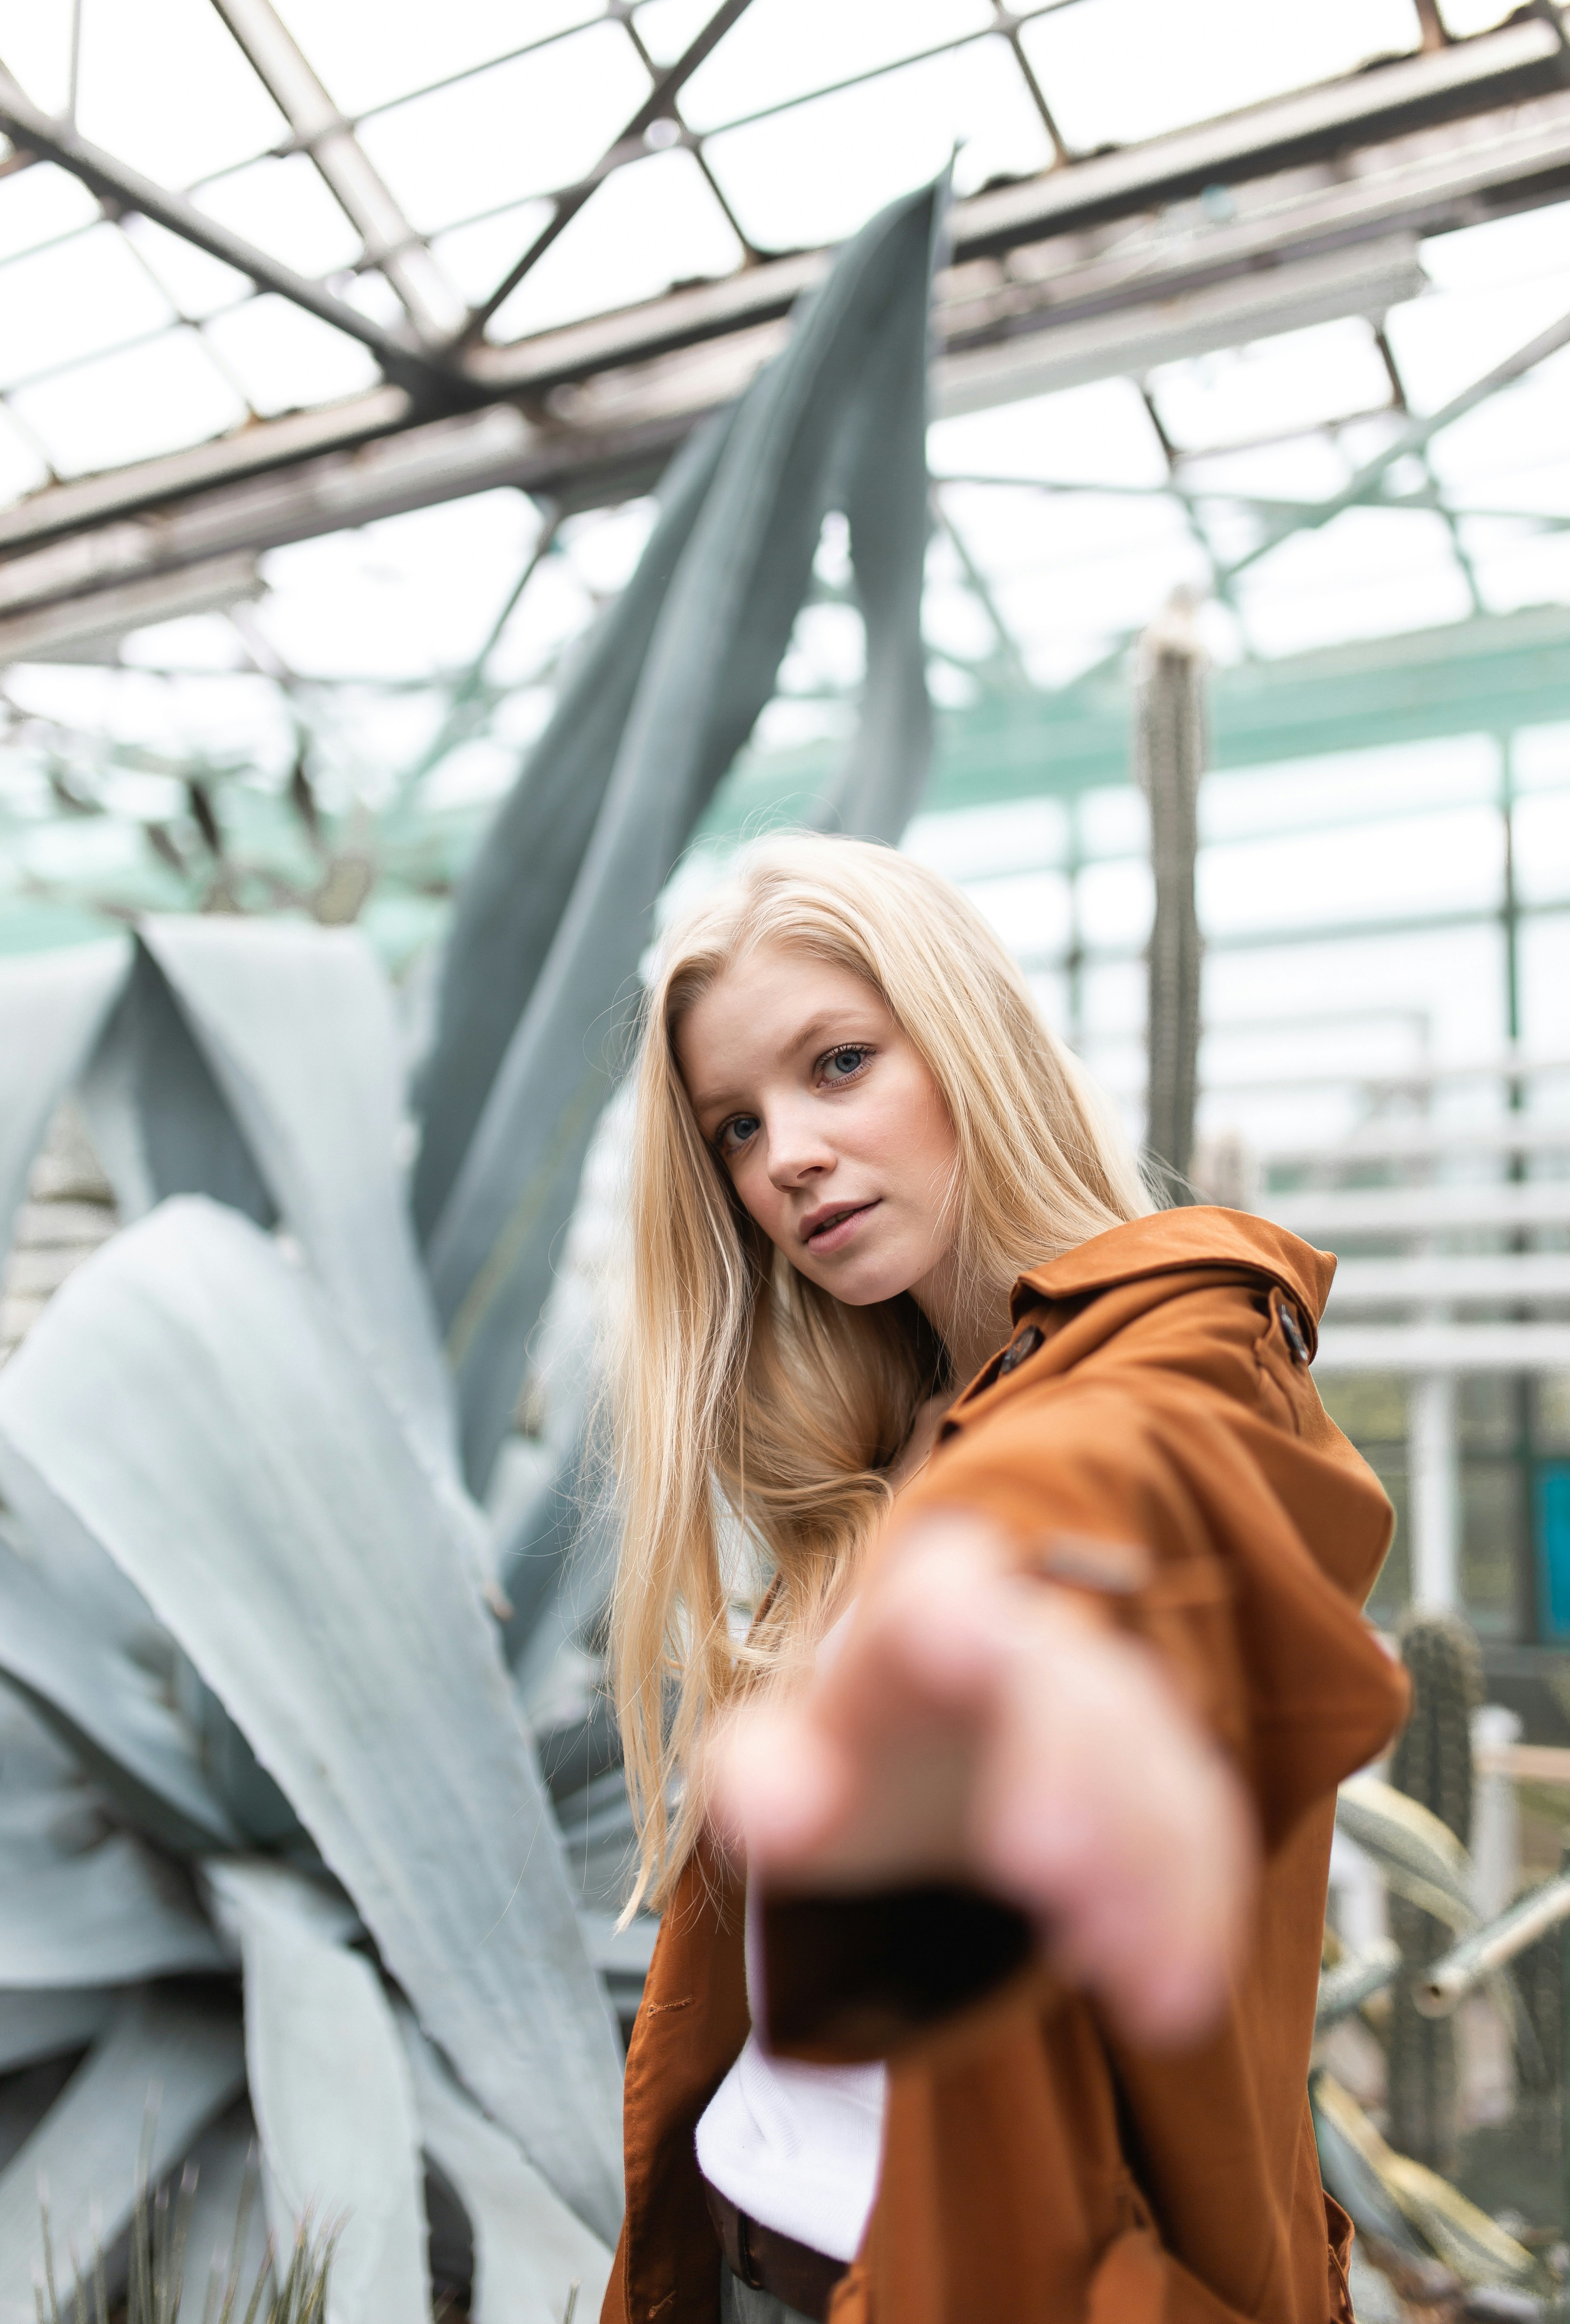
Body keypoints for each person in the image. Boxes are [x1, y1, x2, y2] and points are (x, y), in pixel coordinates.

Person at [600, 835, 1406, 2324]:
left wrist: (986, 1569)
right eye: (734, 1127)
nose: (786, 1156)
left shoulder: (1189, 1348)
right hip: (752, 2267)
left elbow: (1126, 1472)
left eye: (838, 1064)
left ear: (964, 1038)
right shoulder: (886, 1444)